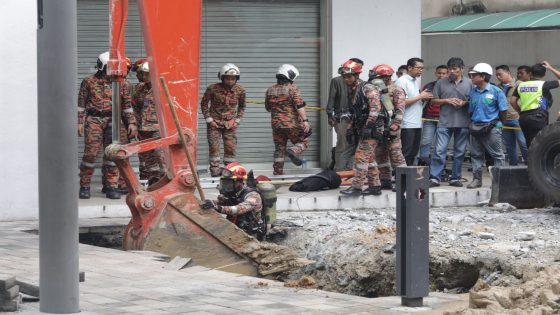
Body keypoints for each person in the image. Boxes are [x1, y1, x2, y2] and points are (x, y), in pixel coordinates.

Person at [78, 52, 138, 199]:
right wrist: (79, 122)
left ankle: (111, 186)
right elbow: (81, 105)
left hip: (114, 120)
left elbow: (127, 106)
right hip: (94, 120)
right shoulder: (89, 81)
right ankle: (84, 186)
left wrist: (131, 122)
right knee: (90, 154)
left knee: (113, 154)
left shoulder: (122, 83)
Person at [340, 66, 385, 196]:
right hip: (363, 127)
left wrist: (369, 126)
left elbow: (375, 108)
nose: (346, 79)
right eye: (344, 77)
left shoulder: (367, 88)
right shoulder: (354, 90)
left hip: (373, 127)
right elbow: (356, 112)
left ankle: (357, 187)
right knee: (369, 159)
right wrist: (349, 128)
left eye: (349, 76)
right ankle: (375, 186)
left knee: (360, 157)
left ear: (356, 75)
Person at [428, 57, 472, 187]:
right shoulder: (441, 83)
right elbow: (433, 100)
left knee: (459, 152)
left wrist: (464, 103)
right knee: (439, 151)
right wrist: (446, 101)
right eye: (450, 69)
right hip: (444, 122)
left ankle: (455, 178)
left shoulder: (470, 83)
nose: (452, 71)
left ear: (462, 69)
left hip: (463, 123)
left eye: (455, 69)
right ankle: (435, 178)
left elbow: (474, 100)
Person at [200, 63, 246, 177]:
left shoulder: (240, 90)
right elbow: (204, 104)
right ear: (222, 77)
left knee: (230, 147)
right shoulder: (212, 88)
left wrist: (237, 121)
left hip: (230, 124)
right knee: (214, 147)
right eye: (227, 78)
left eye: (233, 78)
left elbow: (242, 106)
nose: (230, 81)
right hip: (214, 123)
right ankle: (215, 170)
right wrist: (209, 120)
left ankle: (229, 169)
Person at [466, 63, 508, 188]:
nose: (471, 77)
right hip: (476, 127)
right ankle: (477, 180)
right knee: (476, 154)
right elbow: (471, 110)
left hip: (492, 128)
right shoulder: (473, 92)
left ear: (483, 76)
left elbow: (503, 111)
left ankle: (498, 182)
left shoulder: (496, 92)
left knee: (497, 155)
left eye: (474, 75)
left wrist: (499, 125)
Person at [265, 64, 311, 175]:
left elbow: (267, 108)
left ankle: (278, 172)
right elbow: (299, 105)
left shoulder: (270, 89)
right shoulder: (292, 89)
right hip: (291, 123)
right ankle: (293, 151)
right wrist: (305, 121)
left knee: (279, 148)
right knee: (303, 142)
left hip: (276, 125)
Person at [202, 163, 266, 240]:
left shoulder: (253, 195)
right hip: (236, 230)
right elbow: (221, 202)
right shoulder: (233, 193)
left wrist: (217, 208)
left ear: (239, 182)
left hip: (251, 235)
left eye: (228, 183)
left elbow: (239, 209)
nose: (226, 186)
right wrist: (209, 203)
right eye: (224, 183)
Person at [369, 64, 407, 191]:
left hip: (392, 127)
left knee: (396, 154)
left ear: (387, 77)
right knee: (381, 154)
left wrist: (395, 125)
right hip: (379, 127)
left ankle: (404, 182)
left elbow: (400, 109)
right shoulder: (376, 89)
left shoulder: (397, 89)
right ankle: (385, 180)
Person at [511, 61, 560, 147]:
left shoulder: (521, 85)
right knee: (540, 145)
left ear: (530, 73)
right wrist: (550, 68)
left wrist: (520, 111)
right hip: (538, 117)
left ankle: (529, 160)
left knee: (529, 144)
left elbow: (512, 101)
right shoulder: (543, 84)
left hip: (524, 118)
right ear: (544, 75)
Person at [326, 58, 364, 171]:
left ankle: (350, 168)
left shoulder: (362, 83)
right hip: (341, 117)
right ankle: (339, 169)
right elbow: (331, 98)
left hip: (356, 119)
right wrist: (329, 114)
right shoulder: (337, 81)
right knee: (342, 142)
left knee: (354, 143)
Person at [395, 57, 433, 166]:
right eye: (418, 68)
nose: (421, 70)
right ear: (410, 67)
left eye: (422, 68)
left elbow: (414, 100)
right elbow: (401, 102)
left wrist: (422, 98)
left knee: (413, 153)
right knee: (406, 153)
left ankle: (408, 179)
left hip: (416, 123)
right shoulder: (402, 81)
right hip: (406, 124)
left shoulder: (414, 81)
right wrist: (420, 96)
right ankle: (400, 178)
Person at [132, 62, 165, 184]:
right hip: (143, 128)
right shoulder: (140, 88)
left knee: (161, 156)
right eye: (142, 74)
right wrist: (135, 122)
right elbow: (135, 106)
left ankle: (165, 180)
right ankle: (154, 180)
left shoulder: (161, 87)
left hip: (158, 128)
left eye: (147, 75)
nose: (144, 77)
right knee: (148, 157)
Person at [495, 64, 527, 165]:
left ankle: (530, 166)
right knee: (509, 145)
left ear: (508, 72)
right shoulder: (497, 87)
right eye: (497, 75)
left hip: (518, 119)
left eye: (500, 74)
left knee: (523, 144)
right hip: (504, 120)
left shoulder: (520, 84)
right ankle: (513, 167)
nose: (498, 77)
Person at [418, 65, 448, 166]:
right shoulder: (429, 86)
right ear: (435, 73)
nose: (441, 75)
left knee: (441, 146)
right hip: (429, 118)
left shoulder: (451, 86)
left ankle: (437, 167)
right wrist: (423, 98)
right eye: (439, 73)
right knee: (425, 142)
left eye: (444, 73)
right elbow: (421, 99)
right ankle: (423, 164)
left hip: (444, 120)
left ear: (448, 74)